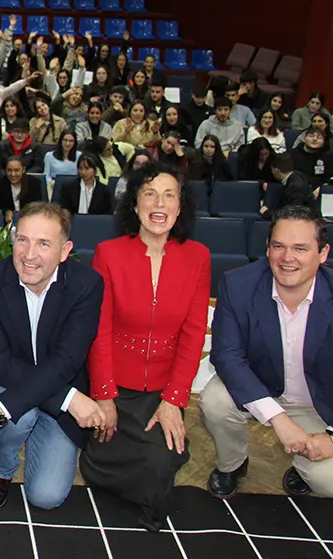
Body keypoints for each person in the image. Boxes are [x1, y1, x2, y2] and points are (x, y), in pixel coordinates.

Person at [81, 160, 211, 532]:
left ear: (180, 205)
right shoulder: (109, 252)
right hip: (115, 384)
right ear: (134, 205)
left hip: (163, 388)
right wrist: (103, 394)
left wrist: (174, 401)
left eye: (169, 195)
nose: (159, 203)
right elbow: (99, 329)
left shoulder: (198, 256)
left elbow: (193, 334)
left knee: (159, 460)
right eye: (150, 194)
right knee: (100, 458)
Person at [0, 202, 105, 511]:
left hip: (59, 383)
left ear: (65, 250)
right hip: (12, 382)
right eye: (23, 239)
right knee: (18, 414)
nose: (29, 254)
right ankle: (0, 468)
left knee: (47, 497)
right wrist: (68, 399)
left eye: (44, 243)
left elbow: (68, 360)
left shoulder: (86, 285)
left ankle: (27, 424)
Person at [202, 206, 333, 498]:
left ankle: (303, 466)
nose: (287, 258)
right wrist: (279, 419)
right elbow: (226, 356)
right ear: (267, 248)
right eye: (279, 246)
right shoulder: (238, 284)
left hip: (319, 404)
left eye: (300, 248)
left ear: (323, 253)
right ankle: (233, 464)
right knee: (215, 400)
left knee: (328, 483)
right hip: (260, 388)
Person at [0, 156, 44, 222]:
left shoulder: (34, 183)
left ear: (23, 170)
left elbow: (39, 206)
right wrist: (6, 211)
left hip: (29, 220)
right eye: (9, 170)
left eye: (16, 170)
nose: (13, 174)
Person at [261, 154, 317, 218]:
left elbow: (292, 213)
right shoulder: (297, 175)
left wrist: (267, 213)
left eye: (272, 170)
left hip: (307, 221)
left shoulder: (295, 186)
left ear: (276, 170)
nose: (272, 173)